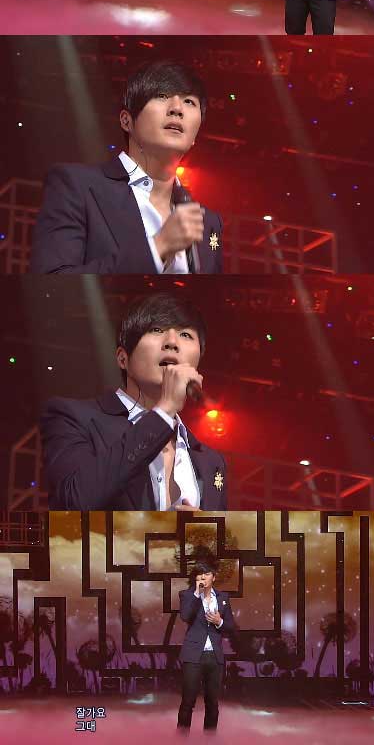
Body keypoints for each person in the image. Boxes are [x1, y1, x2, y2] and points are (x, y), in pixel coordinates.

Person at [30, 59, 223, 275]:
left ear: (195, 135)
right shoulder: (76, 187)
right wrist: (158, 247)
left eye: (189, 101)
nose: (177, 109)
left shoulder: (208, 222)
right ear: (126, 121)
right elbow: (52, 278)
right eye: (161, 96)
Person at [40, 295, 227, 511]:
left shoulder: (212, 461)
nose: (172, 342)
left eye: (185, 334)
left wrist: (205, 531)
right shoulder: (73, 417)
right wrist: (164, 411)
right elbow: (74, 502)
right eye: (156, 330)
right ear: (123, 358)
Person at [177, 552, 237, 732]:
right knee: (188, 702)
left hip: (215, 657)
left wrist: (219, 621)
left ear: (214, 577)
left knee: (212, 703)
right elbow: (185, 616)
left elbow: (231, 626)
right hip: (193, 656)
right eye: (199, 574)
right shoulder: (187, 595)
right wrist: (197, 593)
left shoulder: (223, 598)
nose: (202, 577)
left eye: (206, 573)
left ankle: (210, 739)